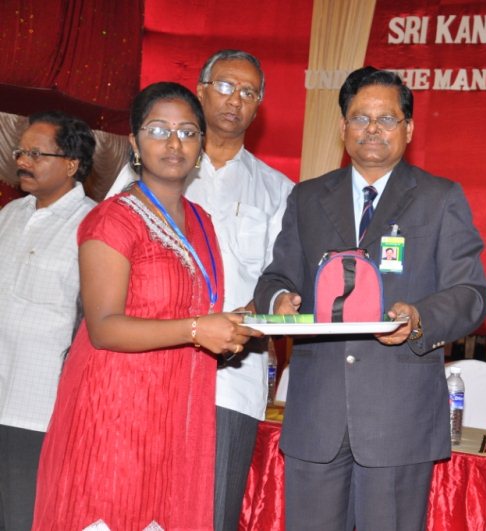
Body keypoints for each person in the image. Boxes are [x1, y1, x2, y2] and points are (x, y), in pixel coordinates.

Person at [253, 66, 486, 530]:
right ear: (343, 126)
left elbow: (473, 294)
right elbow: (275, 276)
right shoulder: (307, 198)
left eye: (387, 119)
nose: (373, 129)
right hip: (316, 416)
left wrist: (420, 317)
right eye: (361, 118)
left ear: (409, 128)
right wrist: (279, 298)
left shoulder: (439, 198)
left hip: (398, 419)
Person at [32, 82, 259, 530]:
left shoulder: (201, 221)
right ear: (135, 143)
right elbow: (103, 327)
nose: (174, 143)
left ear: (201, 144)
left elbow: (196, 313)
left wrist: (249, 320)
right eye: (158, 130)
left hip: (176, 415)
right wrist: (197, 330)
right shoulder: (112, 218)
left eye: (187, 132)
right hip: (115, 412)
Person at [106, 49, 294, 530]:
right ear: (202, 91)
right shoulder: (149, 169)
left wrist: (242, 325)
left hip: (231, 378)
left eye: (249, 92)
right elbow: (107, 259)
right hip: (145, 370)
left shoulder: (278, 190)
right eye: (225, 86)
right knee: (133, 510)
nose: (235, 100)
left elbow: (283, 279)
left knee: (210, 514)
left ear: (259, 106)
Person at [0, 111, 97, 530]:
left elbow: (93, 324)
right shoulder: (9, 214)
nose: (23, 161)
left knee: (25, 519)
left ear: (72, 164)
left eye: (36, 154)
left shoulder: (93, 225)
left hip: (40, 410)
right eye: (21, 152)